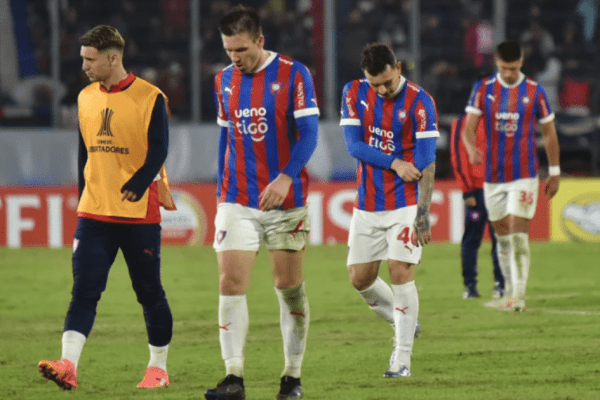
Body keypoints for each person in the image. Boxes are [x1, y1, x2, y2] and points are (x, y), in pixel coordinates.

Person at [38, 25, 177, 390]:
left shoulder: (150, 97)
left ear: (113, 58)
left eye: (90, 59)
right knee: (84, 290)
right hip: (95, 213)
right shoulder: (85, 97)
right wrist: (84, 196)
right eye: (83, 58)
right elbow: (83, 152)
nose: (84, 66)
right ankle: (68, 364)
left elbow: (160, 148)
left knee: (148, 292)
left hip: (138, 213)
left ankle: (158, 368)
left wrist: (139, 182)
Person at [206, 5, 319, 400]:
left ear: (260, 41)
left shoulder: (294, 74)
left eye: (241, 50)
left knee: (288, 287)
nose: (235, 58)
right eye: (228, 50)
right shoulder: (223, 80)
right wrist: (221, 189)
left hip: (286, 201)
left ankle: (292, 376)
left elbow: (308, 134)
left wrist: (286, 176)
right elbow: (226, 136)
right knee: (230, 283)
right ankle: (233, 377)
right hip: (237, 198)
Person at [340, 43, 438, 378]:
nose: (382, 90)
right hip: (367, 203)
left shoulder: (421, 102)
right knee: (360, 278)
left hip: (404, 203)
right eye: (375, 84)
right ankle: (404, 321)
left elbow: (426, 161)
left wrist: (422, 213)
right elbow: (353, 145)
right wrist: (395, 163)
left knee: (400, 270)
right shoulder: (353, 92)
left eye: (387, 82)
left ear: (398, 68)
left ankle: (402, 359)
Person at [462, 40, 560, 312]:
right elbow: (469, 128)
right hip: (493, 176)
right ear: (497, 62)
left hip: (524, 173)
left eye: (513, 68)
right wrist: (470, 148)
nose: (508, 74)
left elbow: (549, 133)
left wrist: (554, 172)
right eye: (504, 68)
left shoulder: (535, 91)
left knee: (518, 234)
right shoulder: (483, 89)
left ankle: (518, 297)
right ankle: (507, 291)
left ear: (521, 63)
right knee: (502, 236)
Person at [450, 114, 504, 299]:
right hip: (477, 192)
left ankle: (501, 284)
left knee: (501, 239)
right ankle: (470, 286)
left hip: (499, 189)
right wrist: (467, 190)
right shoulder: (461, 123)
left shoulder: (499, 120)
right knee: (472, 239)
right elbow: (458, 156)